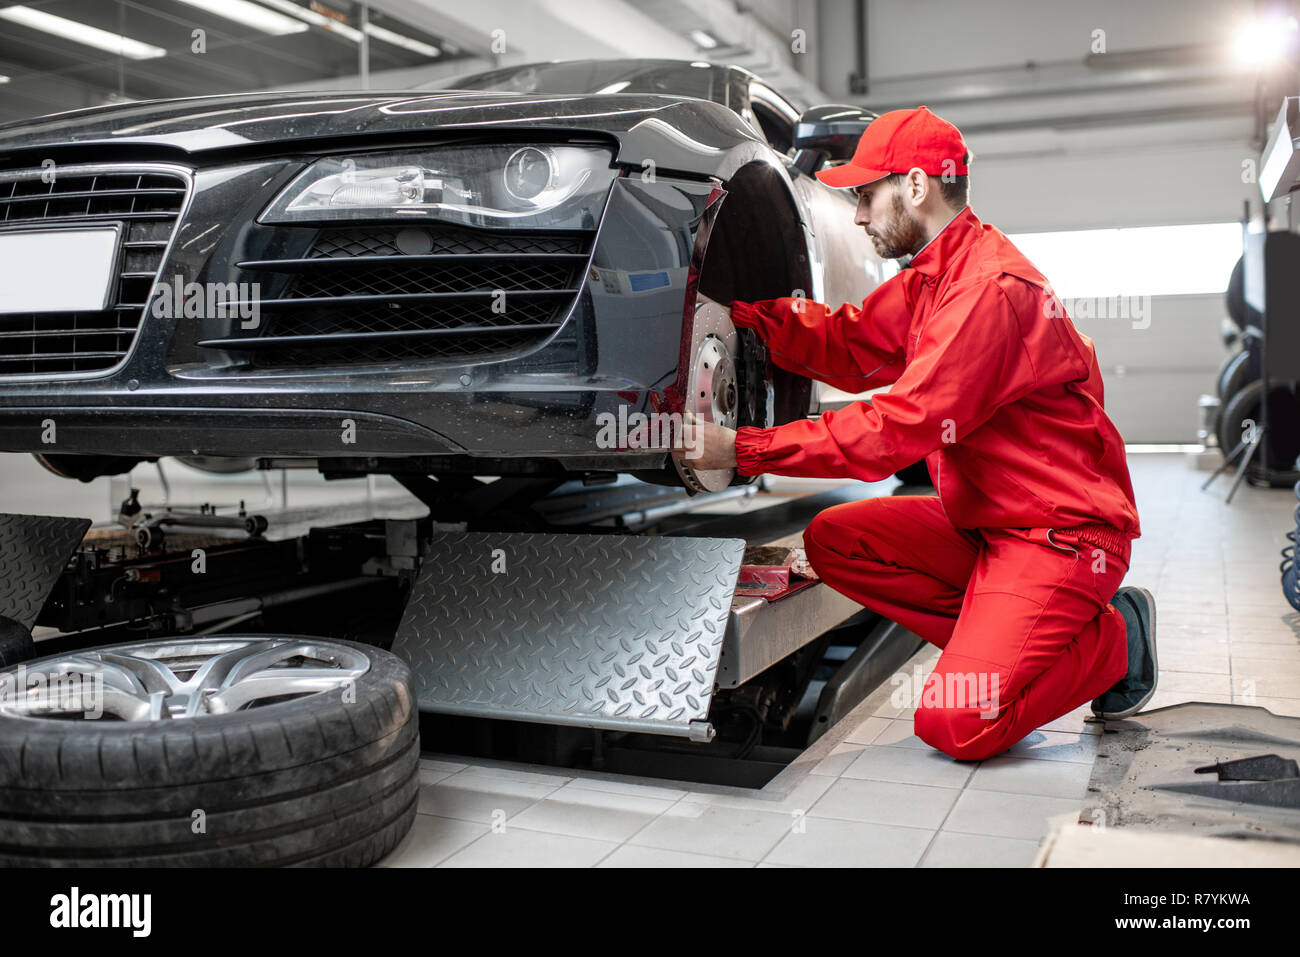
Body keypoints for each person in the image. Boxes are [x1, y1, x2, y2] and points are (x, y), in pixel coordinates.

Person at [674, 105, 1157, 761]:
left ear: (918, 186)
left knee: (954, 724)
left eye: (868, 195)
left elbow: (896, 430)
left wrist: (745, 449)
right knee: (834, 541)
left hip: (1059, 534)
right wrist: (746, 315)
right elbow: (851, 343)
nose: (862, 215)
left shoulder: (989, 290)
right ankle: (1008, 634)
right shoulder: (934, 277)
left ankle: (1116, 639)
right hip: (989, 525)